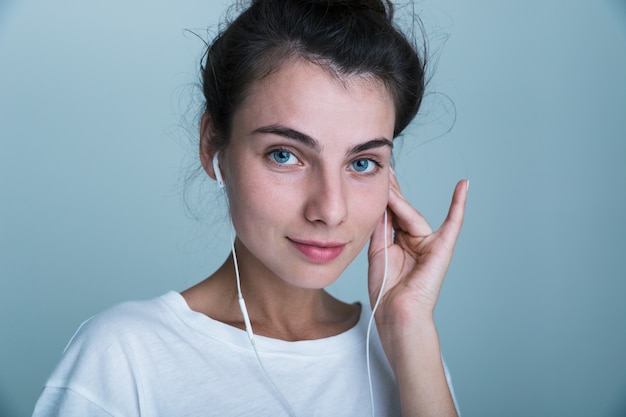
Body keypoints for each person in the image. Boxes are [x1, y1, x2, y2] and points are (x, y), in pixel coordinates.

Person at [33, 0, 468, 415]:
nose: (330, 210)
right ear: (213, 145)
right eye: (285, 155)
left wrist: (410, 329)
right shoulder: (125, 358)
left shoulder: (407, 353)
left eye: (362, 163)